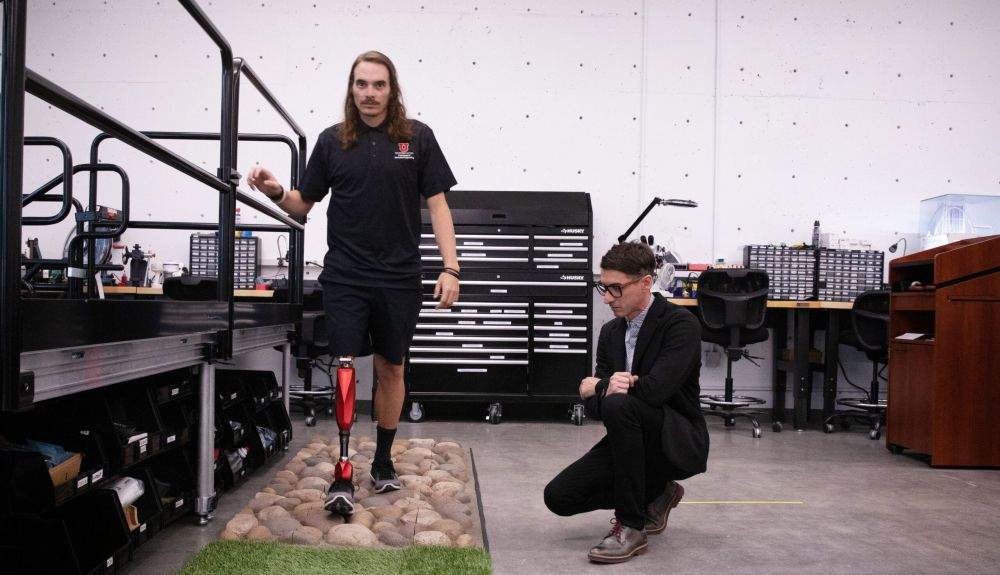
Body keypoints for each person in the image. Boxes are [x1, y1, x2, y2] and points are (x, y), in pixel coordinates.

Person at [246, 50, 459, 515]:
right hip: (345, 275)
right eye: (361, 84)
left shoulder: (417, 139)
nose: (369, 93)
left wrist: (451, 267)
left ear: (391, 89)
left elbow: (439, 205)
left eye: (378, 85)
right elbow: (302, 205)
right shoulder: (331, 142)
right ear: (351, 89)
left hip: (401, 277)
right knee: (344, 364)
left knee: (392, 369)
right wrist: (276, 191)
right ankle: (343, 469)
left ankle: (382, 461)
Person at [543, 242, 709, 564]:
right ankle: (657, 491)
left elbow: (656, 392)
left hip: (675, 440)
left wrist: (602, 387)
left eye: (615, 289)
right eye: (603, 288)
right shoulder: (610, 333)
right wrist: (607, 390)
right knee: (559, 497)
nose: (606, 298)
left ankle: (631, 526)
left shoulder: (680, 325)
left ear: (645, 283)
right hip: (628, 438)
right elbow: (594, 408)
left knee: (620, 405)